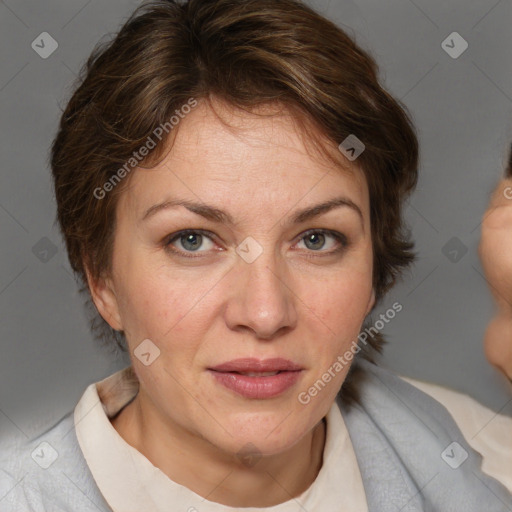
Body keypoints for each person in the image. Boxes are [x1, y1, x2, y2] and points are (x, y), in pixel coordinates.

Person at [0, 0, 511, 511]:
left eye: (316, 239)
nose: (265, 313)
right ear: (102, 279)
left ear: (375, 269)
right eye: (193, 240)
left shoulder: (479, 457)